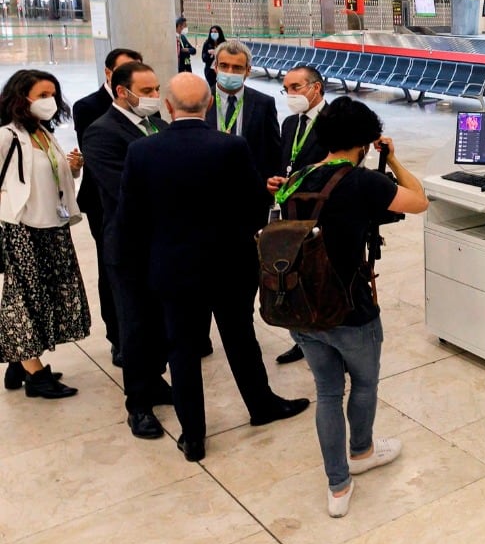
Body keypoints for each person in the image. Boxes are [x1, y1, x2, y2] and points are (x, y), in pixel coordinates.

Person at [118, 74, 309, 462]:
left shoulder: (142, 151)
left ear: (169, 108)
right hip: (229, 266)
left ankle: (194, 436)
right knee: (240, 339)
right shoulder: (231, 146)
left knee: (183, 351)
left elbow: (130, 218)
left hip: (173, 268)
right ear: (208, 107)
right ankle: (261, 406)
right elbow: (256, 203)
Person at [278, 97, 428, 518]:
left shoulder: (296, 178)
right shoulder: (362, 183)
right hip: (349, 308)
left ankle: (338, 486)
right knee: (363, 384)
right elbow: (419, 200)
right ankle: (361, 451)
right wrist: (393, 160)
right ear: (364, 141)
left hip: (302, 305)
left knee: (327, 392)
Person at [81, 61, 173, 438]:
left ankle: (155, 380)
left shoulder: (158, 126)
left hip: (164, 243)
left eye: (156, 89)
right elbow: (124, 190)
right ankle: (138, 404)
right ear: (123, 92)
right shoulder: (102, 132)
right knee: (135, 324)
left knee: (160, 321)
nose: (154, 97)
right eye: (147, 91)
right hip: (130, 244)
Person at [0, 69, 89, 399]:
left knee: (47, 293)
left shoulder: (43, 133)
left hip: (51, 224)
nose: (49, 101)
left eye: (52, 94)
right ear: (20, 98)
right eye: (41, 95)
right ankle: (35, 375)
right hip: (21, 228)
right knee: (23, 298)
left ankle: (21, 360)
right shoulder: (6, 136)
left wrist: (74, 168)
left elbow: (50, 177)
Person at [71, 46, 142, 367]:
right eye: (125, 70)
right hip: (103, 198)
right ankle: (117, 336)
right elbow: (100, 155)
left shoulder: (142, 104)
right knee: (110, 267)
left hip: (140, 199)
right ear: (110, 74)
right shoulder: (89, 108)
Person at [267, 64, 329, 367]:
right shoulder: (290, 123)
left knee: (321, 278)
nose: (290, 94)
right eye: (286, 88)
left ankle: (329, 339)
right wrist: (277, 180)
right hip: (290, 212)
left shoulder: (335, 122)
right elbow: (286, 164)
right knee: (293, 276)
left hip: (322, 213)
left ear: (315, 88)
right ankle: (302, 339)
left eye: (295, 87)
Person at [205, 39, 281, 219]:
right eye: (224, 65)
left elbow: (274, 149)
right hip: (208, 192)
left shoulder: (264, 103)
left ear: (247, 71)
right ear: (215, 67)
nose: (229, 72)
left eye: (237, 67)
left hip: (251, 196)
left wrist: (269, 186)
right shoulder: (200, 100)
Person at [201, 25, 225, 89]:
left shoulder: (224, 44)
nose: (213, 33)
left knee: (222, 88)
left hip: (221, 70)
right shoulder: (207, 43)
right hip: (210, 71)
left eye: (215, 32)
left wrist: (217, 52)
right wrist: (209, 54)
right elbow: (203, 58)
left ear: (219, 32)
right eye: (212, 32)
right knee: (213, 88)